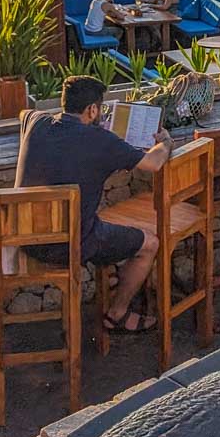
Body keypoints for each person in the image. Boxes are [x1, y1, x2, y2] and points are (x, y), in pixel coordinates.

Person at [16, 75, 174, 333]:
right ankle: (117, 313)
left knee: (101, 222)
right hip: (72, 245)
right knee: (149, 244)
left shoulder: (37, 121)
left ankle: (112, 277)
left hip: (26, 238)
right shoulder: (102, 141)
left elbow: (24, 112)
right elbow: (153, 164)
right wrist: (165, 142)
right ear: (92, 110)